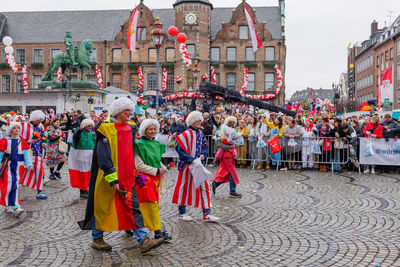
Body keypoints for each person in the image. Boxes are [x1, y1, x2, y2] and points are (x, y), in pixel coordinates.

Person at [78, 97, 163, 253]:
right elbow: (103, 155)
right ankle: (97, 238)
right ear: (118, 112)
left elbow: (130, 152)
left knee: (132, 206)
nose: (130, 114)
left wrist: (134, 172)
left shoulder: (129, 127)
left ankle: (143, 239)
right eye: (127, 112)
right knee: (103, 207)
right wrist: (111, 176)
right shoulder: (105, 128)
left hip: (128, 177)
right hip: (108, 178)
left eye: (131, 111)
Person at [172, 111, 220, 222]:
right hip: (187, 167)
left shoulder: (200, 134)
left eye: (200, 120)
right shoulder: (184, 135)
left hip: (198, 166)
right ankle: (182, 212)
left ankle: (207, 213)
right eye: (197, 120)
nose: (199, 122)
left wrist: (203, 155)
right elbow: (180, 150)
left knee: (204, 187)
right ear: (192, 121)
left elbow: (205, 146)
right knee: (184, 188)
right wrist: (191, 160)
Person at [133, 119, 172, 241]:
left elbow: (156, 161)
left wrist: (162, 167)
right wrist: (156, 170)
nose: (153, 131)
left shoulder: (156, 144)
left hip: (154, 179)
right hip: (143, 179)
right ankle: (157, 232)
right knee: (150, 204)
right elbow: (138, 165)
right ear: (144, 130)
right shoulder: (138, 144)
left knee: (149, 204)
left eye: (154, 129)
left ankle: (132, 226)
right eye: (150, 129)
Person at [0, 122, 33, 217]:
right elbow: (1, 154)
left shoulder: (22, 141)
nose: (17, 130)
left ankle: (15, 206)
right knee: (9, 186)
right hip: (7, 167)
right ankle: (11, 205)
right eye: (14, 128)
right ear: (10, 130)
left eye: (18, 128)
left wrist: (29, 164)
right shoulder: (4, 141)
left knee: (15, 186)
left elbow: (26, 154)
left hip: (19, 167)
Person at [19, 110, 48, 199]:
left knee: (39, 171)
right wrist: (27, 142)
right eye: (39, 119)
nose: (40, 121)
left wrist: (44, 142)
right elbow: (16, 135)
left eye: (41, 120)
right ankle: (14, 189)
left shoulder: (39, 129)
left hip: (37, 153)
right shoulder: (23, 126)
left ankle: (40, 191)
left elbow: (43, 138)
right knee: (20, 170)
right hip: (24, 153)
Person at [212, 116, 241, 198]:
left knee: (227, 172)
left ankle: (215, 184)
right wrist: (230, 146)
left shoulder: (234, 131)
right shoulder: (221, 131)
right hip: (225, 154)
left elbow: (236, 142)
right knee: (232, 172)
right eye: (231, 122)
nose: (232, 124)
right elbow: (219, 144)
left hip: (230, 154)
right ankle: (232, 191)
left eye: (233, 122)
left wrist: (234, 145)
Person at [68, 119, 96, 199]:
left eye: (91, 126)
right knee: (82, 175)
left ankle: (86, 189)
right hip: (81, 159)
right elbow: (75, 137)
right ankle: (82, 191)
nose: (90, 127)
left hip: (89, 159)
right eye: (88, 126)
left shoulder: (92, 134)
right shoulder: (79, 133)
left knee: (88, 174)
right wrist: (79, 130)